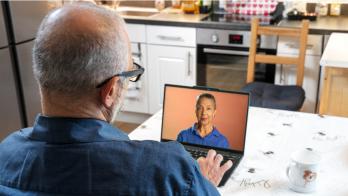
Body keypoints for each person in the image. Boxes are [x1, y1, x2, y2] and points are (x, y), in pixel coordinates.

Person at [0, 3, 232, 195]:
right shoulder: (170, 171)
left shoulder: (5, 154)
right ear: (110, 91)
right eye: (130, 73)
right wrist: (207, 184)